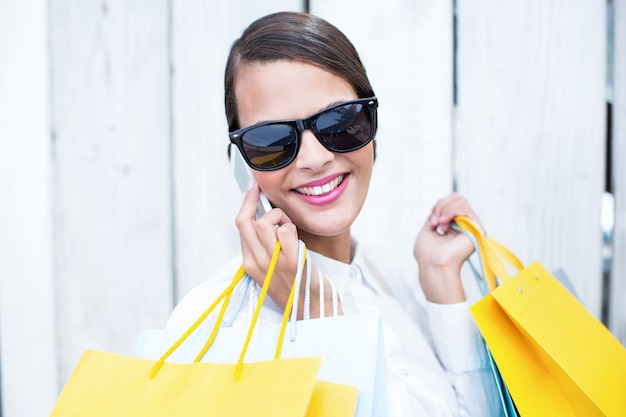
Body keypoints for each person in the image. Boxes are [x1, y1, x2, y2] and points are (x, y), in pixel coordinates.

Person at [167, 11, 502, 416]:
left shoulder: (383, 281)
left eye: (340, 121)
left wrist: (441, 283)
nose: (314, 158)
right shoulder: (209, 326)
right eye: (271, 139)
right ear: (242, 164)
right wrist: (318, 324)